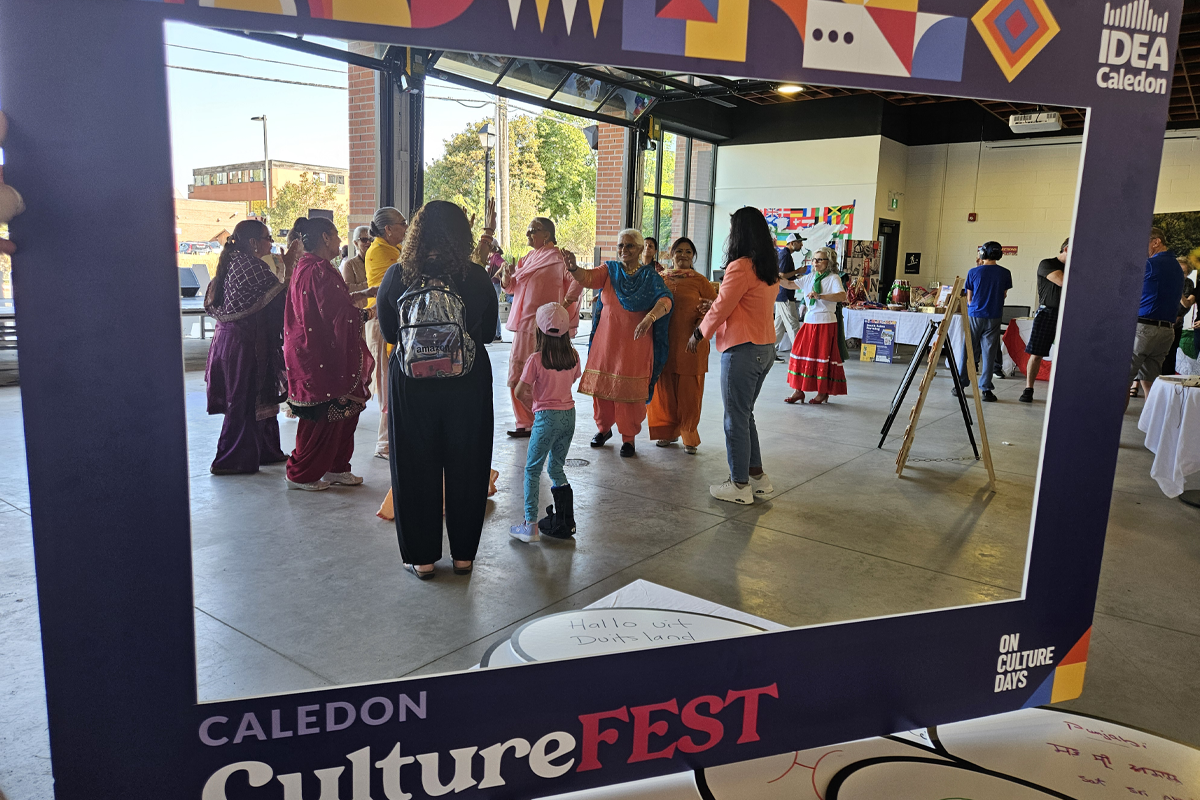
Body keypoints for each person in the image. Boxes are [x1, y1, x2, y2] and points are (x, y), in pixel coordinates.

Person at [377, 200, 498, 580]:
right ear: (461, 235)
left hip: (412, 387)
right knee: (468, 465)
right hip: (468, 384)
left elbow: (388, 330)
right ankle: (463, 557)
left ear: (415, 234)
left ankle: (423, 559)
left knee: (414, 467)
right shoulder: (476, 277)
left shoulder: (397, 276)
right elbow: (490, 332)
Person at [563, 228, 672, 458]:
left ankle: (629, 438)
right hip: (606, 341)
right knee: (602, 389)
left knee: (629, 392)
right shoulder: (610, 270)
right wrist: (573, 268)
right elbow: (589, 277)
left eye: (630, 246)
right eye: (621, 245)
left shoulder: (650, 277)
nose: (624, 250)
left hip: (636, 344)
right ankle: (603, 429)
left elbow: (666, 300)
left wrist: (650, 317)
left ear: (641, 249)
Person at [694, 207, 778, 505]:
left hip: (742, 349)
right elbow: (738, 303)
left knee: (735, 418)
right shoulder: (767, 266)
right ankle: (757, 477)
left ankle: (739, 485)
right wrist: (715, 303)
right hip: (765, 348)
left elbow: (723, 307)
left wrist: (699, 333)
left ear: (739, 232)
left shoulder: (741, 266)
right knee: (745, 414)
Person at [283, 217, 374, 491]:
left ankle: (336, 467)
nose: (339, 241)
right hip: (319, 355)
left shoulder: (312, 267)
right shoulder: (318, 270)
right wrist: (370, 312)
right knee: (321, 416)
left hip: (320, 351)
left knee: (344, 411)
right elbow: (336, 314)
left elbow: (332, 302)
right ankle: (301, 474)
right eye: (336, 235)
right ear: (325, 237)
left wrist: (363, 294)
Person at [203, 219, 300, 474]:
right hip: (245, 344)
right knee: (244, 401)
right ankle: (232, 459)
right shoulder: (250, 266)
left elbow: (268, 297)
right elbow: (280, 302)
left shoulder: (234, 263)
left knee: (255, 398)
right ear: (253, 243)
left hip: (231, 341)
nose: (271, 243)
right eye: (268, 238)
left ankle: (265, 450)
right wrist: (289, 268)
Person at [499, 217, 581, 438]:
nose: (528, 235)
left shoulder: (559, 258)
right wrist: (507, 279)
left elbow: (577, 281)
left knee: (541, 373)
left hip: (546, 327)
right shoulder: (527, 259)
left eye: (532, 231)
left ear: (547, 234)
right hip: (524, 323)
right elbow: (512, 289)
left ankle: (541, 419)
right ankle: (524, 421)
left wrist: (562, 307)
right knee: (517, 372)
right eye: (527, 231)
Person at [510, 303, 581, 543]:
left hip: (546, 418)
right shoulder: (573, 356)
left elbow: (520, 392)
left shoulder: (535, 360)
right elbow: (571, 380)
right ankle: (565, 520)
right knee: (556, 467)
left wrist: (536, 407)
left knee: (532, 469)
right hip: (568, 416)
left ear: (538, 331)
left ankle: (530, 525)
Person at [647, 237, 718, 454]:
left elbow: (713, 310)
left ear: (693, 256)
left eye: (688, 252)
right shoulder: (661, 278)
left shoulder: (701, 281)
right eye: (679, 251)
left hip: (692, 343)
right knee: (664, 388)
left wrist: (698, 331)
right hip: (664, 342)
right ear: (671, 254)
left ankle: (689, 434)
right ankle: (667, 433)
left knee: (689, 391)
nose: (683, 255)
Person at [364, 207, 409, 457]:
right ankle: (385, 443)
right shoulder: (380, 252)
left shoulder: (393, 249)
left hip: (392, 322)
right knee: (388, 384)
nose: (406, 227)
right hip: (383, 324)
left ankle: (393, 439)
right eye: (402, 223)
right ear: (388, 229)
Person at [1127, 227, 1185, 407]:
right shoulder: (1177, 266)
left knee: (1122, 380)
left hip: (1144, 328)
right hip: (1166, 331)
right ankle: (1153, 426)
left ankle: (1109, 429)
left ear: (1156, 242)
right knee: (1150, 380)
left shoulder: (1150, 264)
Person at [785, 247, 848, 405]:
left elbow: (842, 296)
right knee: (799, 352)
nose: (815, 262)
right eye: (814, 259)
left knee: (822, 356)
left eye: (820, 259)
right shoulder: (810, 277)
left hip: (826, 322)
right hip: (809, 321)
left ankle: (823, 392)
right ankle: (798, 390)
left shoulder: (834, 278)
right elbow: (790, 284)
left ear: (829, 262)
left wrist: (820, 296)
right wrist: (771, 275)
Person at [955, 241, 1012, 403]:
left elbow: (969, 298)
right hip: (994, 316)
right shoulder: (1005, 273)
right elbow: (1004, 295)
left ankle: (961, 384)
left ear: (982, 254)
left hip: (975, 315)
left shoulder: (973, 272)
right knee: (989, 353)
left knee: (968, 350)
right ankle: (986, 388)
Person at [1019, 238, 1068, 403]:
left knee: (1067, 354)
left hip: (1068, 314)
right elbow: (1063, 281)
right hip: (1047, 313)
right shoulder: (1047, 263)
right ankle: (1028, 388)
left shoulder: (1076, 268)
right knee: (1037, 353)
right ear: (1066, 249)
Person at [774, 232, 806, 361]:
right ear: (792, 243)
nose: (801, 244)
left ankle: (769, 353)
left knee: (778, 328)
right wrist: (798, 271)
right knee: (793, 325)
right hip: (785, 295)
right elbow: (781, 276)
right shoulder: (785, 255)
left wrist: (795, 276)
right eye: (799, 242)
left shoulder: (786, 255)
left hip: (782, 295)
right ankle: (800, 355)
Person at [340, 225, 374, 307]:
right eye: (364, 240)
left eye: (371, 239)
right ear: (355, 243)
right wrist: (370, 284)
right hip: (360, 311)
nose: (368, 242)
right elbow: (348, 288)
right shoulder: (350, 264)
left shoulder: (377, 261)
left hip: (376, 307)